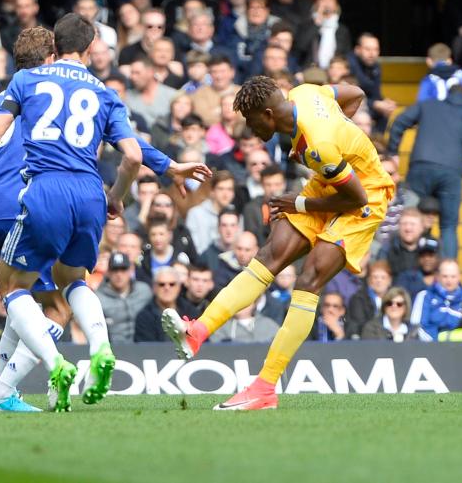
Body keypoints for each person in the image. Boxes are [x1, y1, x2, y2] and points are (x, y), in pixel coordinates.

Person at [0, 25, 208, 412]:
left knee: (14, 289)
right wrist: (131, 187)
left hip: (30, 196)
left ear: (54, 50)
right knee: (71, 284)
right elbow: (131, 153)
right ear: (89, 47)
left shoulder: (22, 84)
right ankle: (94, 348)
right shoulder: (103, 91)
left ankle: (43, 368)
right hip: (88, 193)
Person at [163, 76, 394, 410]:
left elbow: (356, 199)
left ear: (269, 114)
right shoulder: (304, 93)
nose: (249, 129)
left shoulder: (319, 143)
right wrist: (347, 140)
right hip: (330, 181)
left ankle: (265, 387)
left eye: (252, 120)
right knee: (271, 254)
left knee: (309, 278)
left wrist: (303, 200)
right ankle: (197, 331)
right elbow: (356, 93)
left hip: (366, 195)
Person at [386, 85, 462, 258]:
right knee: (448, 226)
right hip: (450, 173)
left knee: (408, 217)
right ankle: (449, 271)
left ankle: (400, 264)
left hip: (421, 167)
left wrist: (393, 152)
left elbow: (399, 121)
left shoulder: (428, 105)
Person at [96, 252, 153, 344]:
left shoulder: (144, 291)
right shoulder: (98, 298)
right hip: (112, 349)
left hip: (145, 347)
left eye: (123, 269)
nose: (119, 274)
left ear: (131, 270)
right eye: (115, 270)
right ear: (108, 272)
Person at [410, 259, 462, 341]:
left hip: (459, 349)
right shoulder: (425, 296)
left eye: (453, 276)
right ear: (437, 276)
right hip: (429, 348)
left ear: (459, 277)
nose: (449, 280)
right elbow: (417, 326)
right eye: (445, 276)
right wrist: (437, 345)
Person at [344, 260, 392, 339]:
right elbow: (359, 323)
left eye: (383, 277)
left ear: (389, 280)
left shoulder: (395, 300)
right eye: (375, 277)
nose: (379, 281)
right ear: (369, 280)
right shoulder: (359, 299)